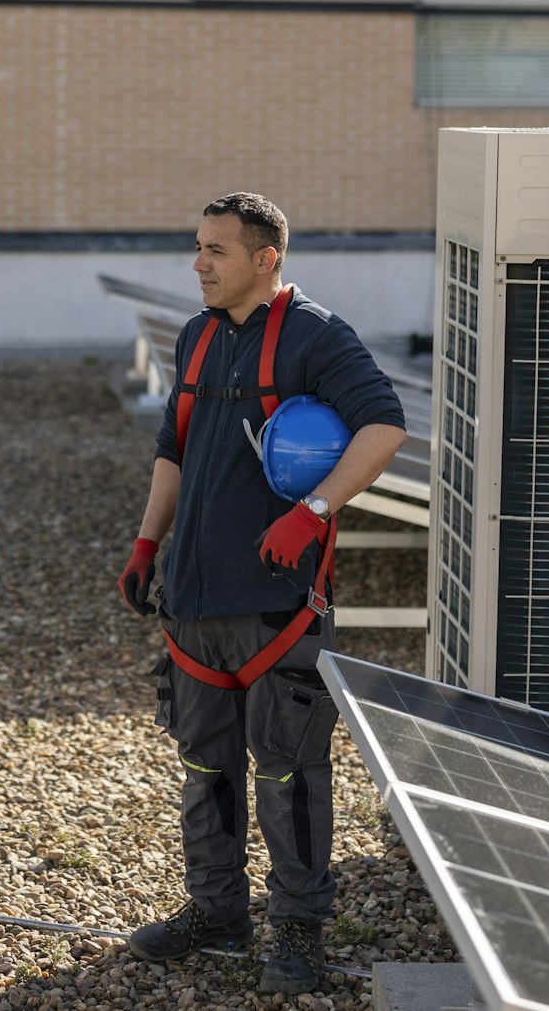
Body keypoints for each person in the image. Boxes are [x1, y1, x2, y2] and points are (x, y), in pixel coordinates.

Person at [118, 192, 405, 995]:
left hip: (278, 604)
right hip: (194, 598)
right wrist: (148, 542)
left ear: (265, 258)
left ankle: (302, 933)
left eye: (216, 250)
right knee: (203, 764)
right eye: (199, 247)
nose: (199, 263)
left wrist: (314, 512)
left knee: (290, 773)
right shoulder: (197, 334)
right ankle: (217, 912)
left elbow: (383, 425)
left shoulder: (317, 336)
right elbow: (173, 446)